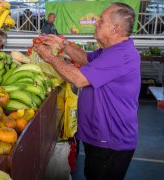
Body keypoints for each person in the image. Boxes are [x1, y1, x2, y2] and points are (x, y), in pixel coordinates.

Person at [34, 2, 139, 180]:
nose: (96, 23)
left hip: (110, 140)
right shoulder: (110, 51)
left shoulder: (119, 55)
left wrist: (50, 57)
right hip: (100, 136)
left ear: (115, 28)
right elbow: (85, 58)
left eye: (101, 21)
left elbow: (78, 78)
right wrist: (63, 45)